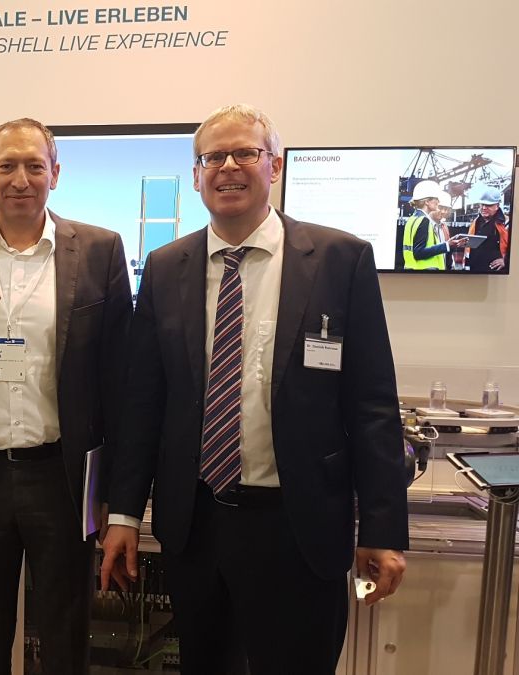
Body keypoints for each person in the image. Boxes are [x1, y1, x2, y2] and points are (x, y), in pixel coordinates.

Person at [101, 104, 409, 674]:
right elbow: (144, 403)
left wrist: (383, 527)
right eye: (213, 156)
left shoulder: (339, 259)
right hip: (198, 526)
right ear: (196, 174)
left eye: (245, 152)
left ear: (276, 165)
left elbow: (372, 405)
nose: (228, 167)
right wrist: (123, 514)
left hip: (298, 527)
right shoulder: (166, 266)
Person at [0, 118, 131, 674]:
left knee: (65, 638)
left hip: (63, 479)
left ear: (55, 173)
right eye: (7, 166)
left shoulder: (100, 249)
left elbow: (119, 384)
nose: (20, 179)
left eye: (35, 165)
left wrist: (116, 493)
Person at [401, 180, 466, 270]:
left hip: (412, 270)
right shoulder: (424, 220)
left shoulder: (412, 219)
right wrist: (447, 245)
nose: (438, 202)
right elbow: (418, 253)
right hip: (425, 272)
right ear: (427, 201)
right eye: (436, 199)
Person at [466, 187, 509, 273]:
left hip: (496, 273)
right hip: (475, 270)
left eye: (488, 205)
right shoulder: (476, 222)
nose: (484, 208)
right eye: (482, 204)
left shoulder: (507, 223)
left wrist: (506, 260)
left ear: (497, 206)